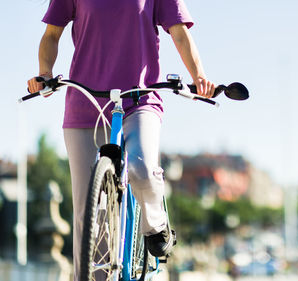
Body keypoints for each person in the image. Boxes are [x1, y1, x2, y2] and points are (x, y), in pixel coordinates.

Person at [26, 0, 215, 279]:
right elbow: (52, 34)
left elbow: (179, 33)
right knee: (87, 215)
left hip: (139, 100)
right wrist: (45, 73)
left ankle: (156, 225)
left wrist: (198, 77)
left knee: (142, 170)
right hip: (85, 103)